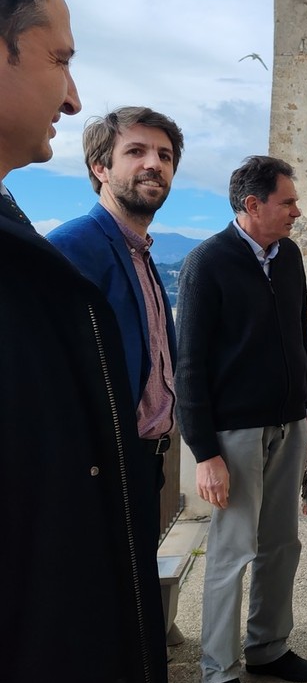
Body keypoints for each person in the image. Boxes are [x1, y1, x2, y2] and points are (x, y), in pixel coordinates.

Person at [0, 0, 166, 683]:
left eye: (165, 155)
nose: (71, 96)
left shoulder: (139, 254)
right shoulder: (61, 253)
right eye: (59, 60)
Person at [176, 155, 307, 683]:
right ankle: (218, 670)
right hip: (233, 434)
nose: (297, 211)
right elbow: (188, 364)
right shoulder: (206, 262)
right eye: (288, 202)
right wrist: (204, 453)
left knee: (282, 544)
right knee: (232, 550)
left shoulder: (290, 257)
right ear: (253, 205)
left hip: (288, 424)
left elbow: (301, 338)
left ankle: (267, 647)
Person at [49, 106, 184, 527]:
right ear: (100, 168)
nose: (154, 164)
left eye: (165, 155)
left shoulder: (141, 252)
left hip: (144, 465)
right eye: (136, 151)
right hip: (96, 475)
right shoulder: (72, 248)